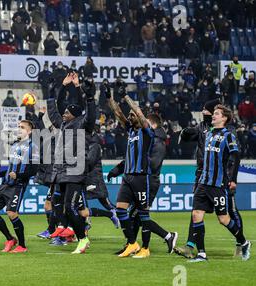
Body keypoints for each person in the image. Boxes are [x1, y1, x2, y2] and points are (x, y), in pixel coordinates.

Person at [107, 94, 177, 258]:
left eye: (133, 115)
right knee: (122, 210)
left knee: (141, 215)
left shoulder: (148, 134)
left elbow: (138, 112)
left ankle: (149, 246)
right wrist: (110, 98)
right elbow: (118, 114)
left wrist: (126, 98)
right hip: (128, 177)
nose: (130, 117)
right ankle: (132, 244)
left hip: (142, 178)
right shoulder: (131, 131)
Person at [188, 105, 250, 262]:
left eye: (216, 114)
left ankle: (243, 242)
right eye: (213, 113)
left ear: (224, 118)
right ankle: (201, 254)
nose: (213, 116)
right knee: (196, 215)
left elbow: (236, 157)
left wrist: (233, 179)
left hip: (217, 184)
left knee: (223, 219)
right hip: (203, 182)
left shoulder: (228, 135)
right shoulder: (208, 133)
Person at [46, 72, 96, 254]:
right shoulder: (63, 125)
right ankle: (67, 229)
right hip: (61, 172)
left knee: (70, 207)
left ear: (74, 115)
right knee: (57, 204)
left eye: (67, 112)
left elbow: (89, 115)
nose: (64, 114)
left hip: (75, 172)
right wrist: (53, 92)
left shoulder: (82, 124)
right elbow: (53, 112)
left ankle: (82, 238)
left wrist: (88, 96)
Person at [0, 120, 39, 253]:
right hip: (5, 184)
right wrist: (0, 174)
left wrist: (18, 175)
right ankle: (10, 239)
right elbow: (10, 169)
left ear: (29, 131)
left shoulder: (33, 147)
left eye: (22, 127)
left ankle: (22, 246)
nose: (19, 129)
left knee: (12, 213)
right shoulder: (14, 145)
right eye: (18, 126)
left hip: (18, 186)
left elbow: (34, 170)